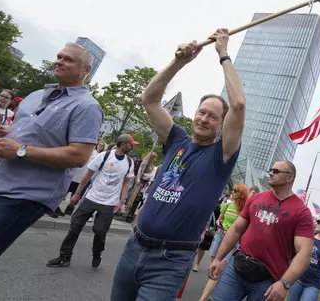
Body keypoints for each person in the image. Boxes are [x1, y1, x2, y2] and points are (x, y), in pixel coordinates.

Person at [0, 42, 103, 301]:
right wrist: (2, 133)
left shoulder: (87, 106)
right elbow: (24, 136)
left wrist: (21, 150)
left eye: (68, 59)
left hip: (23, 196)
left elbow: (79, 155)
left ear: (86, 70)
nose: (59, 61)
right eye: (58, 56)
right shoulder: (37, 96)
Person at [110, 28, 245, 301]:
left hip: (170, 260)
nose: (204, 119)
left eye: (213, 117)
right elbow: (148, 99)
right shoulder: (176, 139)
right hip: (134, 246)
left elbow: (239, 104)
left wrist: (223, 53)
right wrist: (179, 62)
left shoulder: (222, 155)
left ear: (221, 126)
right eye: (201, 112)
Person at [209, 161, 315, 301]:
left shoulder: (301, 212)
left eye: (276, 171)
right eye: (270, 169)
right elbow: (236, 229)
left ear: (289, 177)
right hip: (237, 268)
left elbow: (304, 253)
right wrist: (218, 258)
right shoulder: (255, 199)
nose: (270, 173)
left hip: (268, 280)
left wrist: (284, 284)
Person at [47, 134, 136, 269]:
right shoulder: (104, 156)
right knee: (75, 226)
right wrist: (77, 194)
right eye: (131, 144)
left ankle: (97, 253)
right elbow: (87, 175)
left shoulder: (129, 162)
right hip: (92, 197)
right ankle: (64, 257)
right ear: (123, 144)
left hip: (109, 203)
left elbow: (126, 183)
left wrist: (121, 202)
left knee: (100, 232)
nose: (132, 146)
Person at [198, 183, 249, 301]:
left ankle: (205, 297)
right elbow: (220, 219)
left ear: (242, 194)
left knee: (220, 268)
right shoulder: (227, 205)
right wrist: (219, 223)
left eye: (236, 191)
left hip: (234, 241)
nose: (233, 192)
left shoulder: (244, 209)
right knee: (214, 262)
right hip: (222, 235)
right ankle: (215, 289)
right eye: (233, 190)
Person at [47, 141, 105, 218]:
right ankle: (52, 208)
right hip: (74, 176)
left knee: (76, 195)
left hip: (83, 178)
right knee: (62, 193)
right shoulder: (85, 151)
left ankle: (68, 209)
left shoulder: (99, 155)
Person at [288, 212, 320, 301]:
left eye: (318, 222)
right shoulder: (308, 237)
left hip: (314, 284)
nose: (315, 223)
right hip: (298, 278)